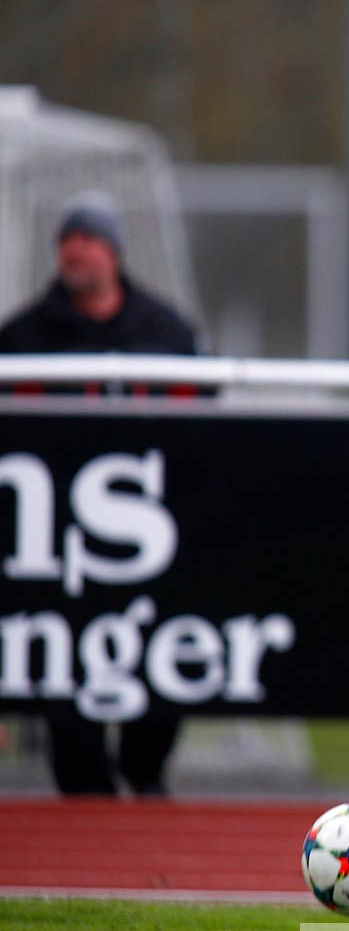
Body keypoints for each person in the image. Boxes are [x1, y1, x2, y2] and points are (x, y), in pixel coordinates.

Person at [0, 189, 204, 796]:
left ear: (113, 251)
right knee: (65, 672)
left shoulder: (165, 332)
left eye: (88, 239)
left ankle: (147, 776)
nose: (76, 251)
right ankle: (88, 804)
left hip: (151, 542)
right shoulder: (23, 337)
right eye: (67, 239)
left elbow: (208, 429)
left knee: (167, 659)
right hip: (56, 546)